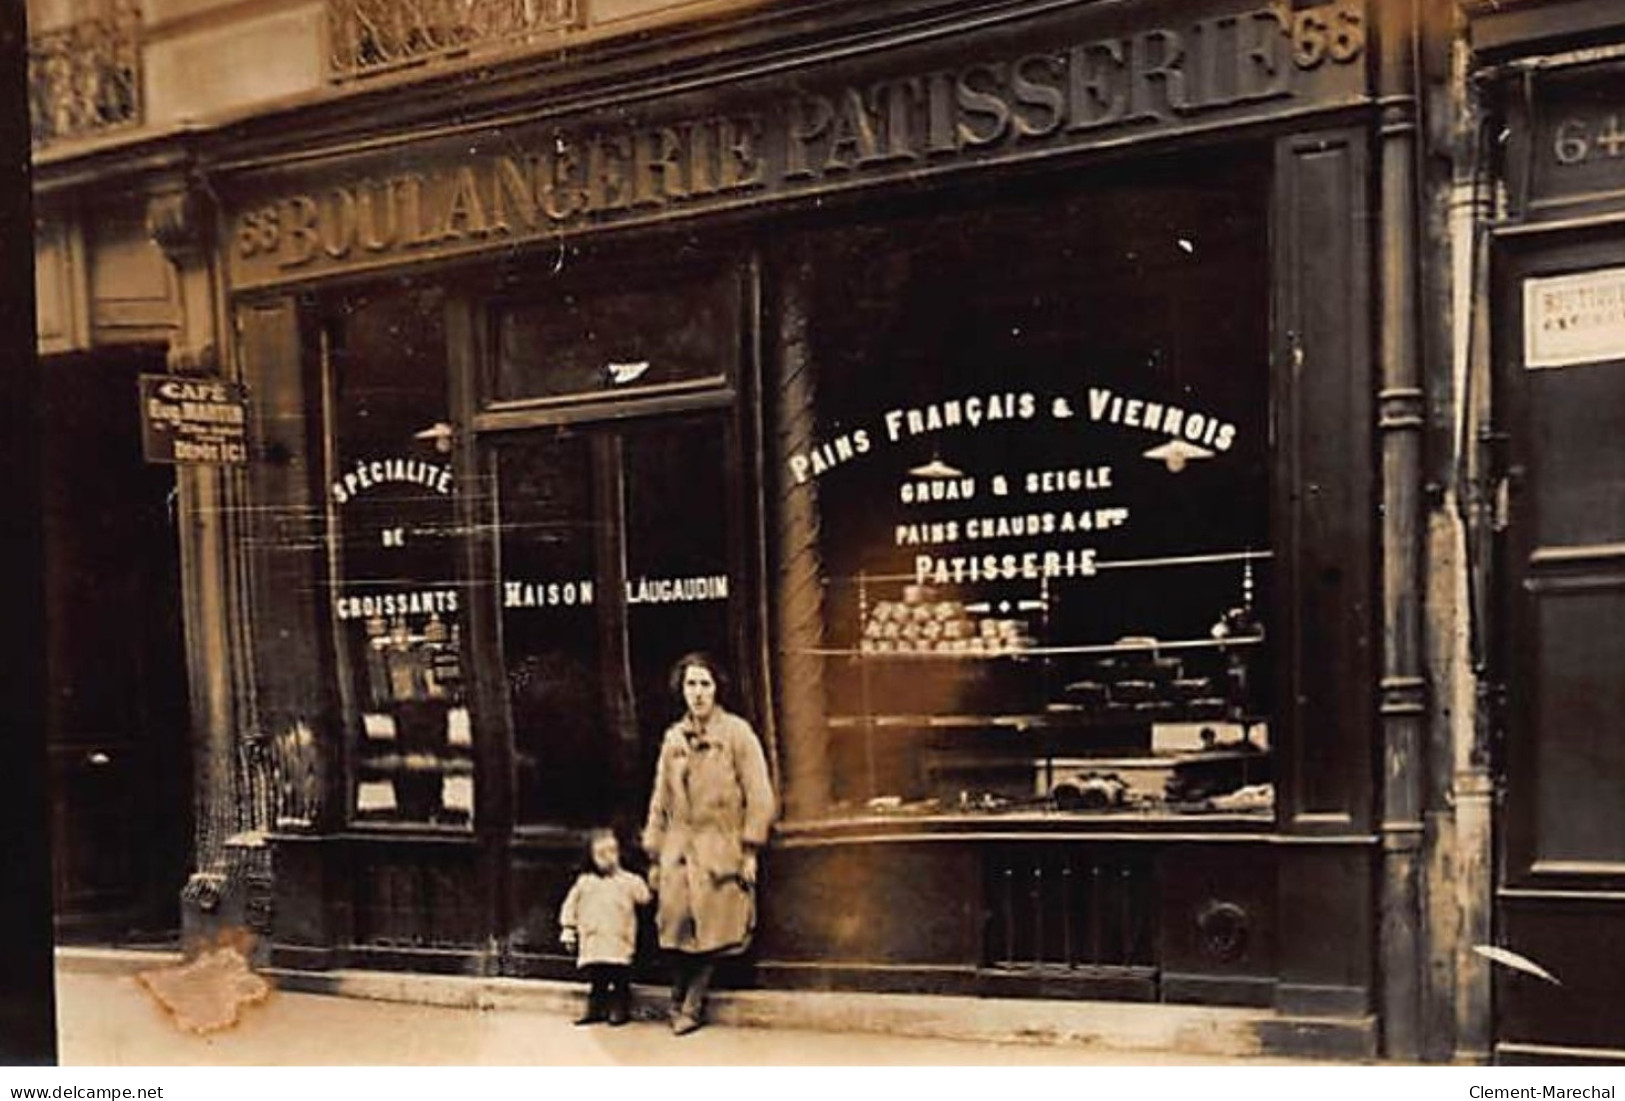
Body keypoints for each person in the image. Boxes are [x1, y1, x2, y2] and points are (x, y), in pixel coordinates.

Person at [642, 653, 776, 1036]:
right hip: (679, 849)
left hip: (721, 846)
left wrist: (750, 848)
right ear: (680, 690)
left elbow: (759, 794)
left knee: (715, 928)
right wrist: (655, 852)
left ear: (717, 689)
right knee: (674, 923)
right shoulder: (673, 739)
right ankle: (678, 990)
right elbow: (661, 800)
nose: (697, 693)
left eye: (705, 684)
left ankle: (692, 1003)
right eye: (690, 685)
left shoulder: (737, 734)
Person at [558, 828, 651, 1027]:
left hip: (618, 939)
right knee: (598, 978)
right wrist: (568, 928)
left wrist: (634, 879)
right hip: (595, 939)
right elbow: (570, 905)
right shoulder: (585, 883)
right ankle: (595, 1008)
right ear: (591, 857)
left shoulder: (627, 881)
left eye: (613, 852)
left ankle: (619, 1008)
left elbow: (644, 897)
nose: (608, 858)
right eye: (601, 854)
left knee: (619, 977)